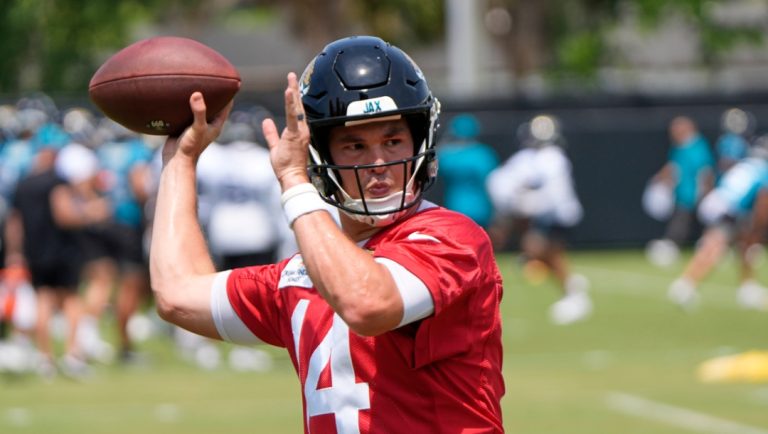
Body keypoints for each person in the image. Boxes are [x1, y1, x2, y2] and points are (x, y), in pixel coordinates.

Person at [150, 35, 505, 432]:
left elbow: (367, 304)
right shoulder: (303, 275)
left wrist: (293, 180)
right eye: (354, 146)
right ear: (321, 157)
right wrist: (180, 159)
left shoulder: (452, 236)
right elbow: (176, 292)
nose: (378, 163)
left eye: (392, 141)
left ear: (420, 140)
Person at [487, 114, 590, 325]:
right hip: (543, 214)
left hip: (557, 215)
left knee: (547, 252)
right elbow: (501, 182)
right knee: (537, 250)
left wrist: (527, 201)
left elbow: (555, 195)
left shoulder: (553, 159)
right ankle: (571, 288)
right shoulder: (529, 158)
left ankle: (573, 293)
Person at [668, 135, 768, 310]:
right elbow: (762, 204)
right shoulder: (763, 171)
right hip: (727, 208)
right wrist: (758, 226)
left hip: (719, 202)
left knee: (745, 245)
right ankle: (686, 284)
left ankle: (747, 287)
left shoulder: (747, 164)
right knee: (715, 247)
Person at [646, 116, 716, 267]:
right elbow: (673, 167)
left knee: (700, 221)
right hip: (682, 192)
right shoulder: (678, 148)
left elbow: (706, 171)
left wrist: (706, 191)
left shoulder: (698, 147)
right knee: (682, 219)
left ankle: (714, 248)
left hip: (695, 192)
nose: (673, 133)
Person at [436, 113, 499, 228]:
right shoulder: (484, 153)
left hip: (456, 206)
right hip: (483, 208)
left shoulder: (447, 156)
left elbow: (434, 166)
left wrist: (446, 140)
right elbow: (494, 181)